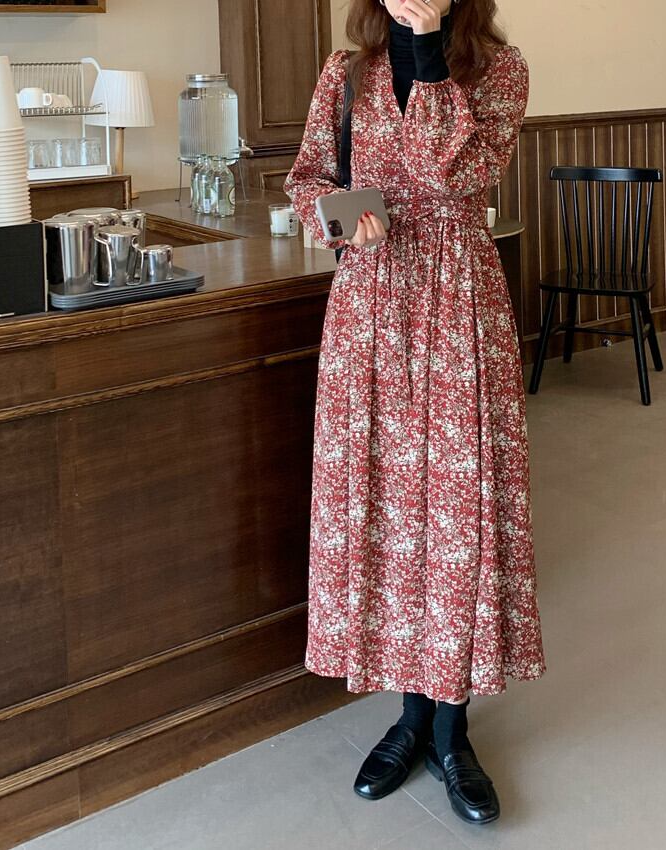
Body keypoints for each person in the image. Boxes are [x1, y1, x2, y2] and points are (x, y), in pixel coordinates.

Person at [284, 0, 545, 825]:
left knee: (458, 513)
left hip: (460, 300)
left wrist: (427, 50)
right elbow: (308, 180)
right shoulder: (344, 72)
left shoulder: (498, 71)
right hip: (369, 305)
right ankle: (409, 718)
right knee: (390, 510)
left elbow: (449, 174)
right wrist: (344, 220)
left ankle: (451, 728)